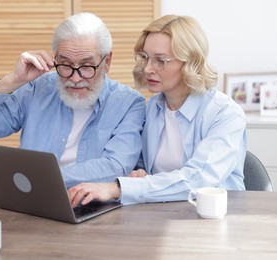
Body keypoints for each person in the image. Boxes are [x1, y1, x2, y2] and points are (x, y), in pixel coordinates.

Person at [0, 12, 145, 195]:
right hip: (32, 201)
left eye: (86, 66)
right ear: (54, 58)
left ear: (107, 61)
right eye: (65, 65)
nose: (75, 79)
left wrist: (25, 177)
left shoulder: (129, 103)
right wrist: (12, 80)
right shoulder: (37, 89)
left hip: (91, 206)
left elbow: (116, 165)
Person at [68, 14, 247, 207]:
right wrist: (139, 173)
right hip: (163, 214)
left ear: (190, 62)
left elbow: (198, 179)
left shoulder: (225, 114)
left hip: (216, 218)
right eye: (145, 57)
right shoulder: (152, 107)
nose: (147, 69)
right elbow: (146, 167)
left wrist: (118, 188)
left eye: (160, 60)